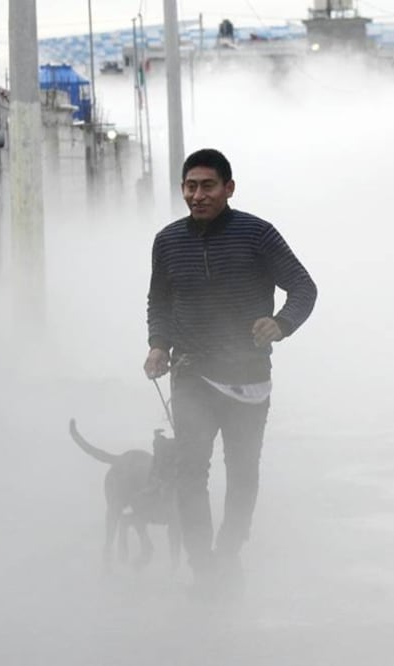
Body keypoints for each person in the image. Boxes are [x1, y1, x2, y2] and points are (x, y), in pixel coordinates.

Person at [144, 148, 317, 598]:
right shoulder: (168, 242)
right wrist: (158, 344)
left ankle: (229, 550)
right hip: (191, 374)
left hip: (247, 377)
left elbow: (303, 287)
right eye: (190, 187)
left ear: (229, 188)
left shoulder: (257, 235)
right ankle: (203, 566)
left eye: (208, 186)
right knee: (190, 472)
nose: (197, 196)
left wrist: (281, 323)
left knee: (242, 472)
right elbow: (160, 301)